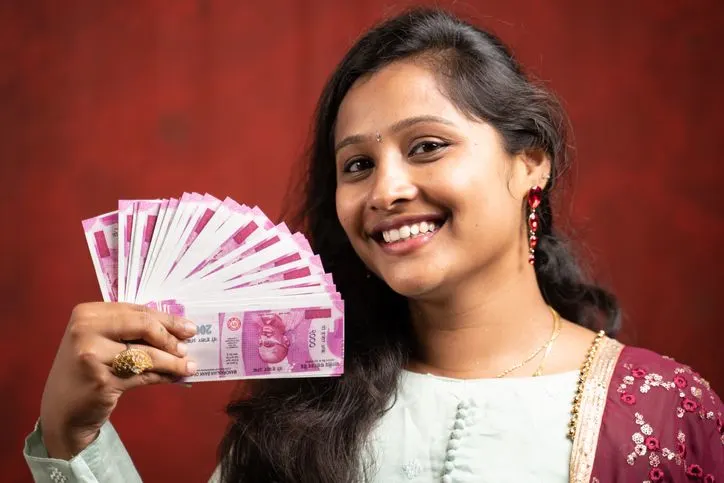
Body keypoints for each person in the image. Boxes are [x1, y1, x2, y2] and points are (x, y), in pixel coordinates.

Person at [24, 8, 723, 483]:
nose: (386, 190)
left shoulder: (665, 414)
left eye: (426, 146)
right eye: (356, 165)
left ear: (529, 160)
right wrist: (72, 438)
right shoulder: (298, 418)